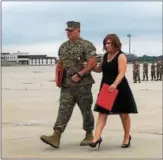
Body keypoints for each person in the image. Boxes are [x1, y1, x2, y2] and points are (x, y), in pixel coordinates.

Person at [40, 21, 97, 148]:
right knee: (63, 110)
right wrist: (58, 78)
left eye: (72, 31)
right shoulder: (63, 47)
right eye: (68, 31)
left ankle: (89, 135)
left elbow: (92, 62)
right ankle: (56, 136)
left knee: (86, 111)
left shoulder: (86, 45)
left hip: (83, 85)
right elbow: (60, 63)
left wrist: (80, 74)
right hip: (67, 86)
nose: (69, 33)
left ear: (78, 31)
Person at [88, 34, 138, 150]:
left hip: (119, 88)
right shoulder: (105, 56)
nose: (107, 45)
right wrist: (90, 66)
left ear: (115, 43)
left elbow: (122, 72)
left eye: (109, 43)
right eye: (106, 43)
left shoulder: (121, 56)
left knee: (124, 114)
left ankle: (126, 137)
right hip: (106, 89)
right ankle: (96, 138)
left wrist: (115, 84)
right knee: (102, 114)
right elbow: (100, 69)